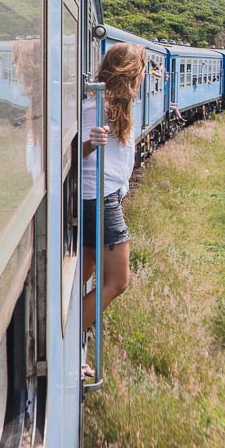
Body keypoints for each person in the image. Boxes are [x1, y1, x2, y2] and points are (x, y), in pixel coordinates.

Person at [81, 43, 147, 365]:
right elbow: (68, 152)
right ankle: (66, 335)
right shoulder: (95, 108)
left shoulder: (115, 106)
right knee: (118, 282)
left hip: (105, 198)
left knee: (90, 265)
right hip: (100, 201)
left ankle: (65, 319)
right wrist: (90, 143)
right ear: (129, 75)